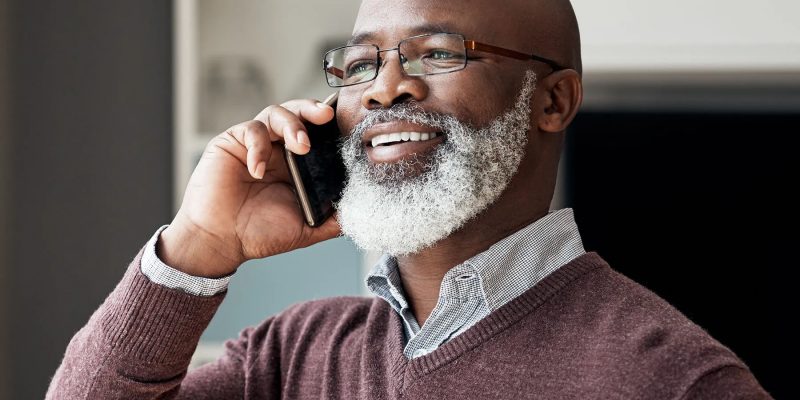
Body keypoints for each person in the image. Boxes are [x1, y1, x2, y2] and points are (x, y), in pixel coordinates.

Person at [47, 0, 772, 398]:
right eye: (361, 63)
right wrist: (199, 244)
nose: (387, 88)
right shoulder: (292, 356)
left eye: (438, 53)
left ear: (554, 99)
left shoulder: (671, 379)